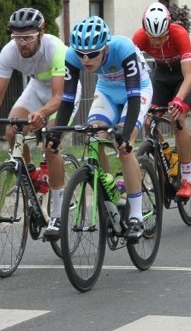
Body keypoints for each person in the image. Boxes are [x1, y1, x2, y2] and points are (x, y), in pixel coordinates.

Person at [0, 7, 81, 239]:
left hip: (64, 94)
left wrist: (41, 114)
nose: (22, 43)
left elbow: (58, 97)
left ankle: (57, 213)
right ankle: (32, 175)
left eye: (27, 37)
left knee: (50, 143)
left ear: (41, 32)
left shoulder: (56, 49)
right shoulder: (9, 52)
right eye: (17, 38)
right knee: (12, 130)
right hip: (37, 88)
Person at [54, 16, 153, 241]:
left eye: (92, 54)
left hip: (137, 91)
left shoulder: (123, 48)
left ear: (105, 47)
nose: (85, 60)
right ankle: (111, 189)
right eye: (81, 55)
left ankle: (136, 216)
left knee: (124, 146)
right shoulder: (73, 56)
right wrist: (57, 135)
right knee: (93, 135)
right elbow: (67, 101)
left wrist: (125, 134)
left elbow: (134, 97)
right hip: (107, 91)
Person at [132, 2, 191, 199]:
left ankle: (187, 177)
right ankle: (167, 154)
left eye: (161, 37)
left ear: (168, 29)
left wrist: (178, 100)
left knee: (178, 119)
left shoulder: (179, 34)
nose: (157, 42)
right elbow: (130, 72)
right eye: (153, 38)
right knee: (147, 120)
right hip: (161, 75)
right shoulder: (139, 38)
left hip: (182, 76)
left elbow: (189, 77)